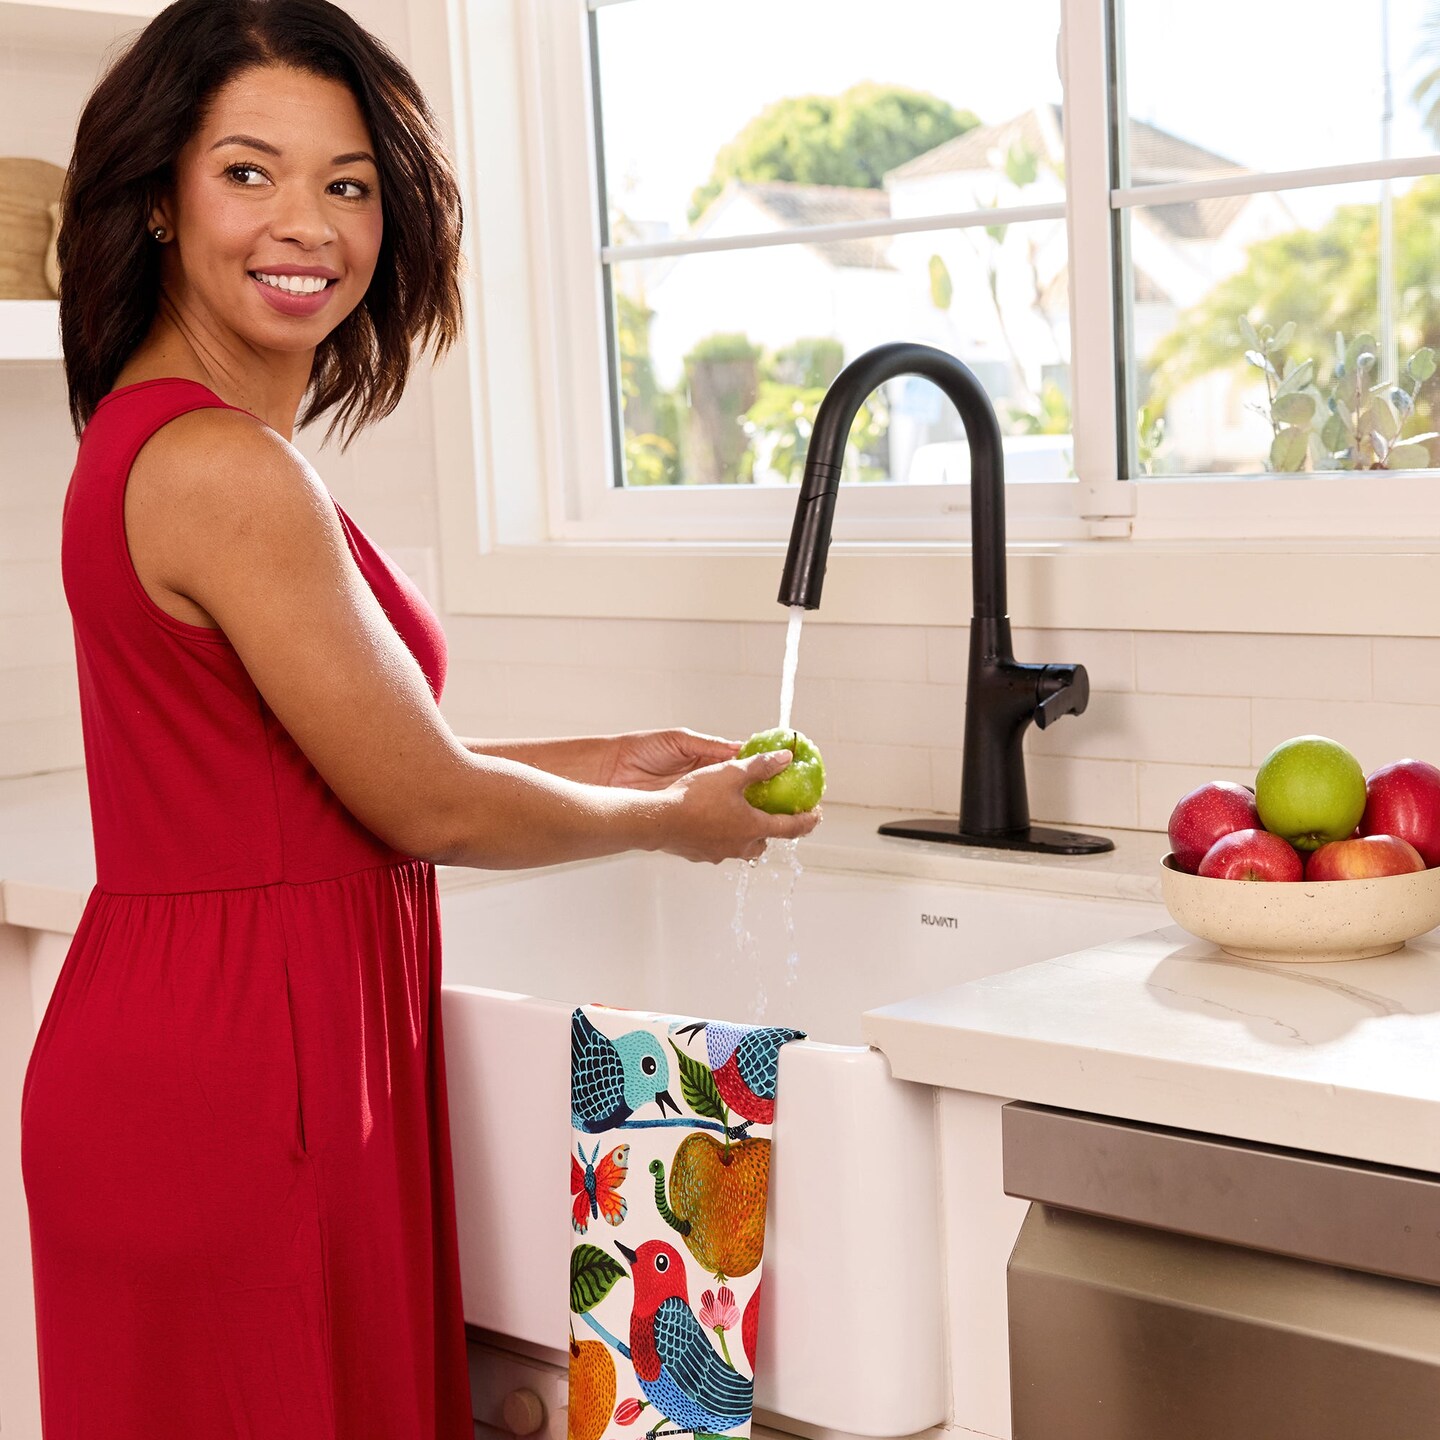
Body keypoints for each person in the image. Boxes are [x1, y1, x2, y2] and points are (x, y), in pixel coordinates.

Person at [19, 2, 821, 1436]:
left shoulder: (181, 443)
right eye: (249, 172)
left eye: (348, 183)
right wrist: (665, 822)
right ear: (158, 199)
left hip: (232, 1051)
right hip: (243, 1080)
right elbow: (425, 803)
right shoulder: (222, 468)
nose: (306, 223)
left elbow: (327, 776)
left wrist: (613, 760)